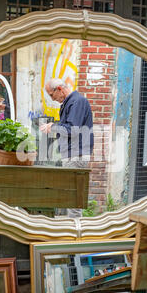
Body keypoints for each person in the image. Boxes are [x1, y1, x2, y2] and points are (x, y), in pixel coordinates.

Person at [40, 78, 94, 217]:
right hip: (72, 154)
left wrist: (53, 126)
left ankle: (76, 235)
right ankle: (73, 231)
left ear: (59, 89)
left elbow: (72, 129)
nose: (52, 99)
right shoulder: (71, 102)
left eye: (51, 95)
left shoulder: (76, 102)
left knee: (73, 200)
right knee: (72, 199)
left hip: (76, 155)